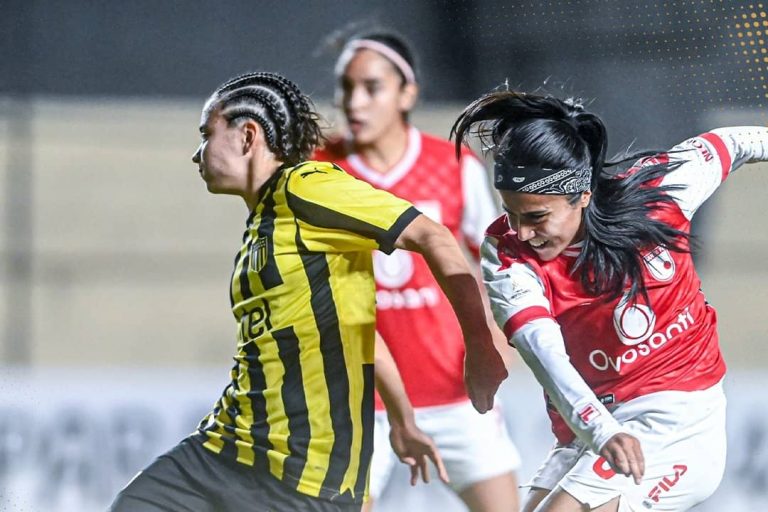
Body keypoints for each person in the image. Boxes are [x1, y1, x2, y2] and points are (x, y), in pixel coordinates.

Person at [108, 71, 507, 512]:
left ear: (247, 136)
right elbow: (353, 327)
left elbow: (432, 235)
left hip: (306, 475)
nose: (196, 153)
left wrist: (479, 343)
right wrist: (402, 419)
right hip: (230, 447)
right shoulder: (264, 220)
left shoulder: (307, 186)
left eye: (206, 134)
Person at [452, 88, 768, 512]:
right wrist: (601, 432)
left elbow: (732, 143)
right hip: (593, 429)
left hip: (677, 421)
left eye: (537, 217)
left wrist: (604, 435)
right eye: (512, 213)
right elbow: (544, 355)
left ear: (581, 194)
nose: (522, 231)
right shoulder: (507, 252)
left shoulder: (661, 192)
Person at [314, 32, 521, 512]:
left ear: (407, 93)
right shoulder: (318, 169)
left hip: (453, 391)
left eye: (371, 87)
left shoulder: (450, 165)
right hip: (358, 403)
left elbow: (498, 260)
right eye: (346, 87)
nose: (354, 101)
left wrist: (500, 336)